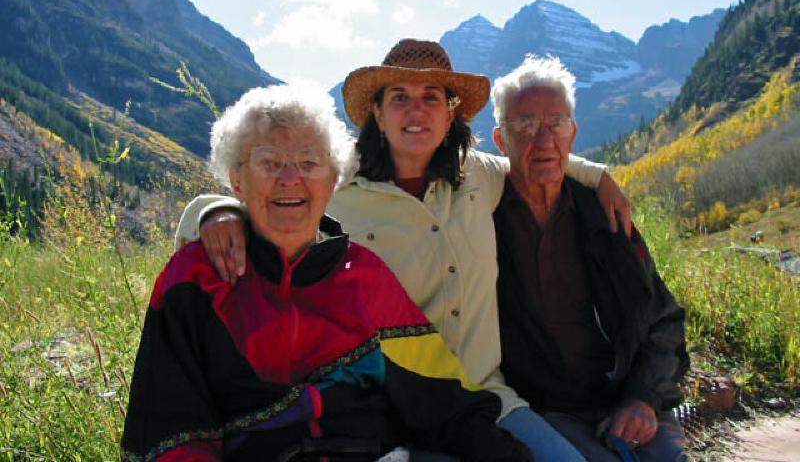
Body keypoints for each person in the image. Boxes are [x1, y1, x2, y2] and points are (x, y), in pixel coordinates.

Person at [176, 39, 632, 461]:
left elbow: (535, 150)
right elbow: (264, 199)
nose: (417, 110)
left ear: (450, 113)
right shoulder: (336, 188)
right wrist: (215, 211)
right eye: (400, 97)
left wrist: (599, 176)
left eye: (431, 96)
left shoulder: (480, 176)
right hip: (384, 417)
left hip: (487, 400)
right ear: (377, 111)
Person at [121, 83, 535, 461]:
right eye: (269, 163)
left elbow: (437, 394)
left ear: (334, 179)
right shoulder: (196, 280)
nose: (290, 179)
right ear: (236, 180)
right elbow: (170, 427)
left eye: (308, 162)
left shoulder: (363, 275)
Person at [490, 56, 689, 461]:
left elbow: (662, 318)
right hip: (542, 408)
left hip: (625, 399)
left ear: (573, 133)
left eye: (556, 124)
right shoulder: (481, 220)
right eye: (525, 126)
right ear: (500, 140)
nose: (544, 141)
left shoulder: (606, 216)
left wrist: (643, 399)